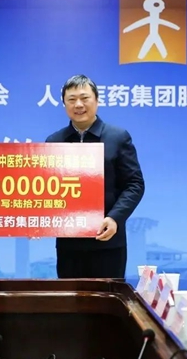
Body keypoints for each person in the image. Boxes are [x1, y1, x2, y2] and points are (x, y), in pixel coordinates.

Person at [45, 74, 145, 279]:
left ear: (97, 101)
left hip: (108, 241)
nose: (78, 104)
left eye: (84, 98)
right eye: (71, 99)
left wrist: (115, 217)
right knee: (70, 297)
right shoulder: (54, 141)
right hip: (69, 245)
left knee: (108, 297)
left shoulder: (118, 137)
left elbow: (135, 184)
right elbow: (45, 188)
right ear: (64, 104)